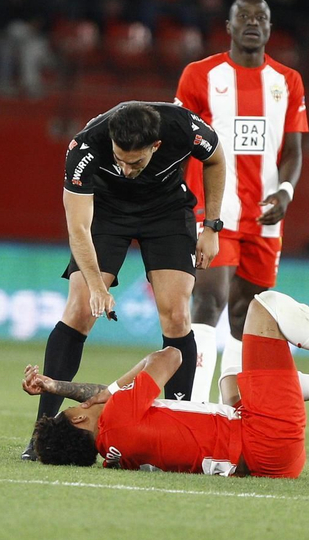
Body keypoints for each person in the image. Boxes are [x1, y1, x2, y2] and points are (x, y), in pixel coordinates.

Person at [24, 290, 309, 475]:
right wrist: (112, 391)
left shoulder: (116, 456)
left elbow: (105, 400)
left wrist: (58, 385)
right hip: (266, 438)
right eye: (76, 409)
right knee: (265, 307)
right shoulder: (117, 414)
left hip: (272, 464)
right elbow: (170, 356)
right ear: (78, 420)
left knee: (231, 382)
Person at [21, 101, 227, 458]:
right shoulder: (85, 148)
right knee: (80, 308)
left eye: (136, 162)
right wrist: (98, 288)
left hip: (166, 211)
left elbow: (217, 160)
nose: (127, 170)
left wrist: (211, 225)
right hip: (108, 213)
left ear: (156, 146)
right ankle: (42, 429)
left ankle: (183, 424)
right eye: (119, 159)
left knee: (177, 314)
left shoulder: (184, 127)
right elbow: (78, 228)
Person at [175, 0, 309, 403]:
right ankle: (192, 406)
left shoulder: (288, 82)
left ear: (269, 29)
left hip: (265, 218)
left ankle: (228, 408)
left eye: (261, 18)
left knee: (245, 314)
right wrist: (181, 203)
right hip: (213, 212)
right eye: (244, 17)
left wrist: (285, 191)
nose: (253, 23)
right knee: (209, 298)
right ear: (229, 27)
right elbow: (180, 143)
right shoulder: (200, 75)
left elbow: (293, 152)